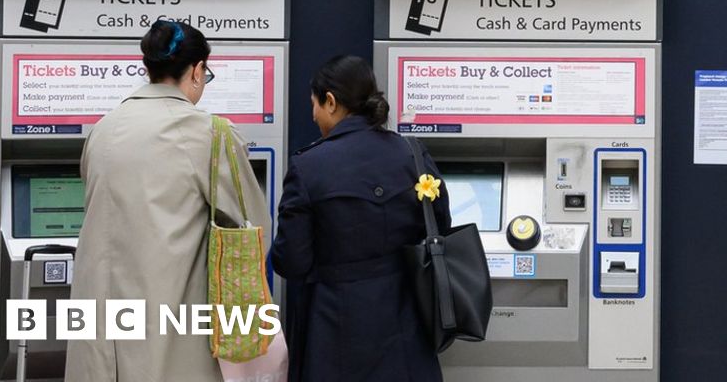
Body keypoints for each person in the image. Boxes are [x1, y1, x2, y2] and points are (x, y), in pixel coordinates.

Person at [65, 21, 271, 382]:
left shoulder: (103, 129)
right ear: (196, 71)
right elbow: (253, 231)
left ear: (148, 69)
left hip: (100, 329)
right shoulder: (210, 133)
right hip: (172, 331)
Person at [272, 55, 451, 382]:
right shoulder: (411, 153)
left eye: (314, 104)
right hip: (407, 324)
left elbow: (291, 262)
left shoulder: (308, 167)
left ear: (330, 101)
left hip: (332, 332)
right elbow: (442, 225)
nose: (313, 116)